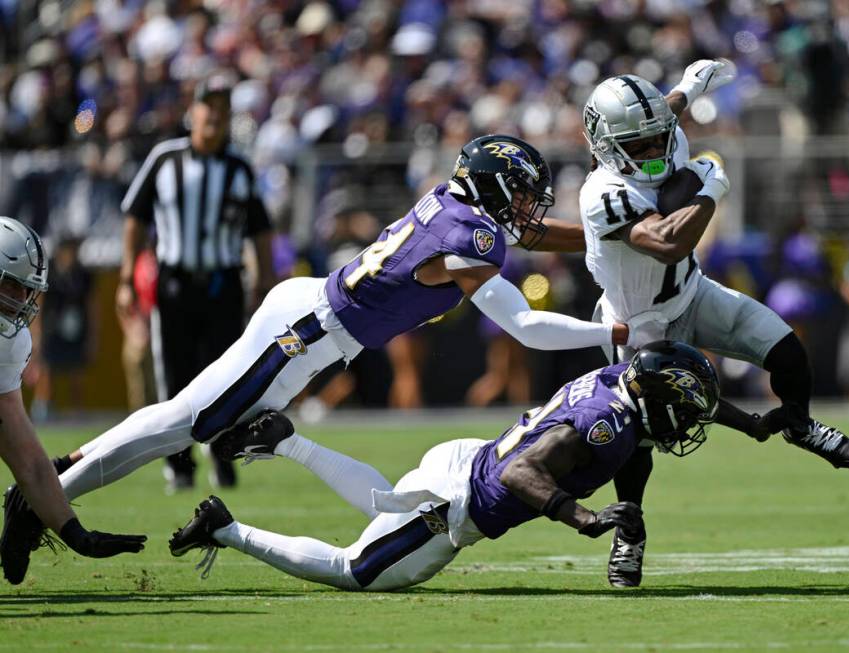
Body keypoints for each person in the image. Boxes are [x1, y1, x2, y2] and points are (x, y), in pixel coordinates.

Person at [1, 134, 639, 580]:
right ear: (495, 189)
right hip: (308, 331)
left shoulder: (461, 208)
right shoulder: (470, 235)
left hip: (315, 323)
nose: (531, 208)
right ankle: (43, 495)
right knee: (184, 423)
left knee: (190, 422)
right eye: (522, 193)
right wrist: (606, 335)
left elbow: (530, 233)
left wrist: (617, 235)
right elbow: (523, 324)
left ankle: (44, 490)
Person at [578, 64, 849, 587]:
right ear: (605, 146)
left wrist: (688, 87)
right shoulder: (602, 194)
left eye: (659, 139)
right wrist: (711, 189)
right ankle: (630, 533)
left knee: (786, 350)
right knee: (637, 441)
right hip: (639, 325)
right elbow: (667, 241)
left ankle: (799, 425)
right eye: (638, 147)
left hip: (693, 291)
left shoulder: (659, 135)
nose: (655, 153)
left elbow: (661, 116)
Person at [167, 341, 718, 591]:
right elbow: (520, 475)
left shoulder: (615, 383)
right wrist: (583, 518)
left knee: (383, 504)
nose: (687, 424)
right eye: (686, 412)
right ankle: (225, 528)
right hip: (459, 503)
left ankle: (288, 443)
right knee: (353, 570)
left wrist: (760, 422)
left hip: (463, 457)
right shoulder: (607, 425)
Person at [116, 73, 276, 492]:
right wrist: (126, 277)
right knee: (175, 377)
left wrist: (265, 284)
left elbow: (260, 230)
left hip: (224, 283)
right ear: (193, 112)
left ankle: (223, 458)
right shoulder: (165, 159)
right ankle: (180, 466)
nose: (215, 117)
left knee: (227, 376)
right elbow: (135, 215)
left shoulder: (239, 168)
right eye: (209, 107)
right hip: (175, 284)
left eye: (223, 111)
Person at [0, 217, 146, 585]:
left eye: (25, 291)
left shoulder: (10, 342)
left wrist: (74, 533)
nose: (20, 302)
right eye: (11, 287)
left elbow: (27, 458)